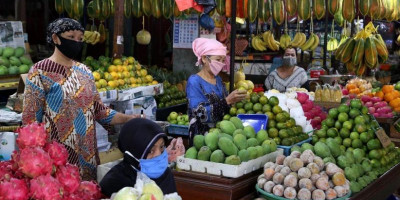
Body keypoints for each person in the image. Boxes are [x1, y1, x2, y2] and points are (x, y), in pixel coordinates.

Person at [22, 18, 141, 180]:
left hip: (87, 157)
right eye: (71, 37)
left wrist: (129, 119)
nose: (76, 42)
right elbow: (30, 123)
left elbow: (99, 111)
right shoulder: (39, 72)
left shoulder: (85, 71)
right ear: (56, 38)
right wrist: (34, 159)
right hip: (55, 159)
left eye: (80, 39)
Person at [186, 38, 246, 143]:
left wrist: (235, 101)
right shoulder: (194, 81)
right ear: (204, 58)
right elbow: (199, 113)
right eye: (218, 60)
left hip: (222, 137)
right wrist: (227, 101)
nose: (221, 63)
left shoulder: (218, 80)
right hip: (202, 139)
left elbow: (226, 106)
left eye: (223, 60)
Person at [100, 118, 176, 197]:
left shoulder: (165, 173)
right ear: (133, 154)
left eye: (161, 147)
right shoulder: (114, 183)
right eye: (151, 151)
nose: (159, 154)